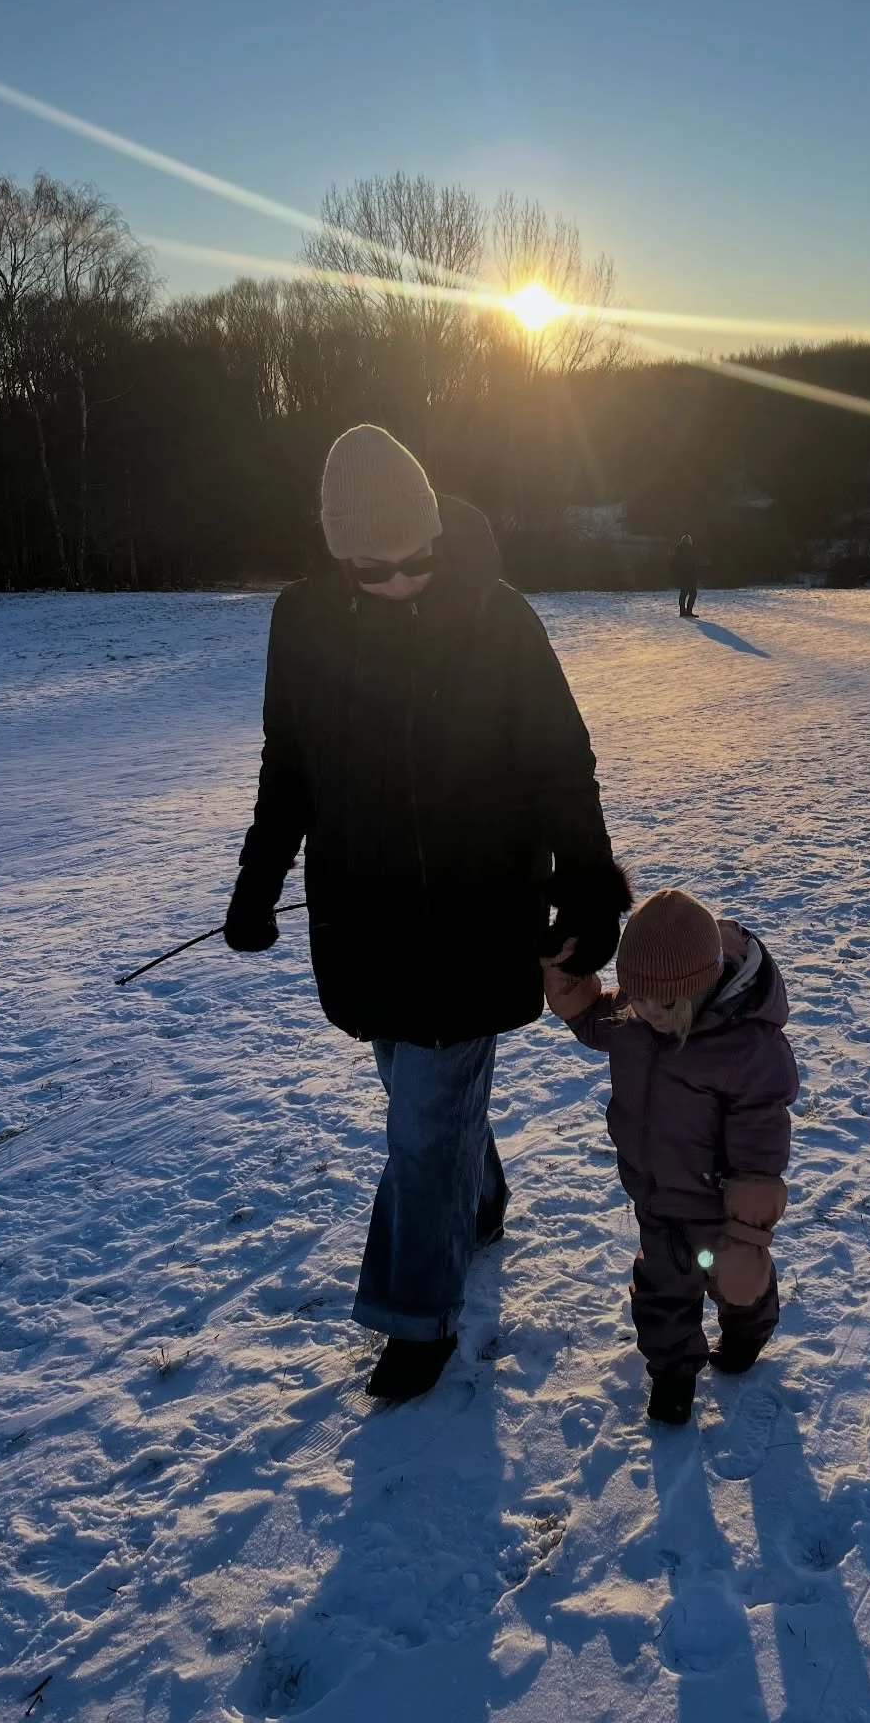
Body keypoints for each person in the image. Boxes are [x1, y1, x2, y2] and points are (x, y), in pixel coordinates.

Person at [224, 424, 631, 1402]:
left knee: (421, 1125)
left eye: (418, 561)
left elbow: (559, 766)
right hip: (363, 923)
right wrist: (256, 881)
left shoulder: (499, 621)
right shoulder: (304, 624)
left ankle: (416, 1315)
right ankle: (477, 1198)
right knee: (414, 1089)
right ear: (339, 555)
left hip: (476, 916)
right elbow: (291, 768)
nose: (404, 582)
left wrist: (586, 888)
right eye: (377, 568)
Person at [542, 889, 798, 1427]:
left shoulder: (746, 1048)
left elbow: (760, 1145)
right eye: (637, 997)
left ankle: (748, 1329)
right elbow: (593, 1020)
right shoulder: (637, 1015)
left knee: (735, 1282)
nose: (649, 1014)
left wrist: (748, 1237)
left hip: (717, 1205)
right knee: (662, 1294)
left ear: (698, 986)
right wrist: (568, 976)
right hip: (656, 1198)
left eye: (664, 1004)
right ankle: (674, 1375)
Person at [670, 534, 699, 617]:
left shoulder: (678, 551)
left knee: (684, 593)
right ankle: (688, 611)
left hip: (682, 576)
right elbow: (693, 564)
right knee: (692, 593)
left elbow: (673, 565)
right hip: (690, 576)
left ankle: (682, 611)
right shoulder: (690, 550)